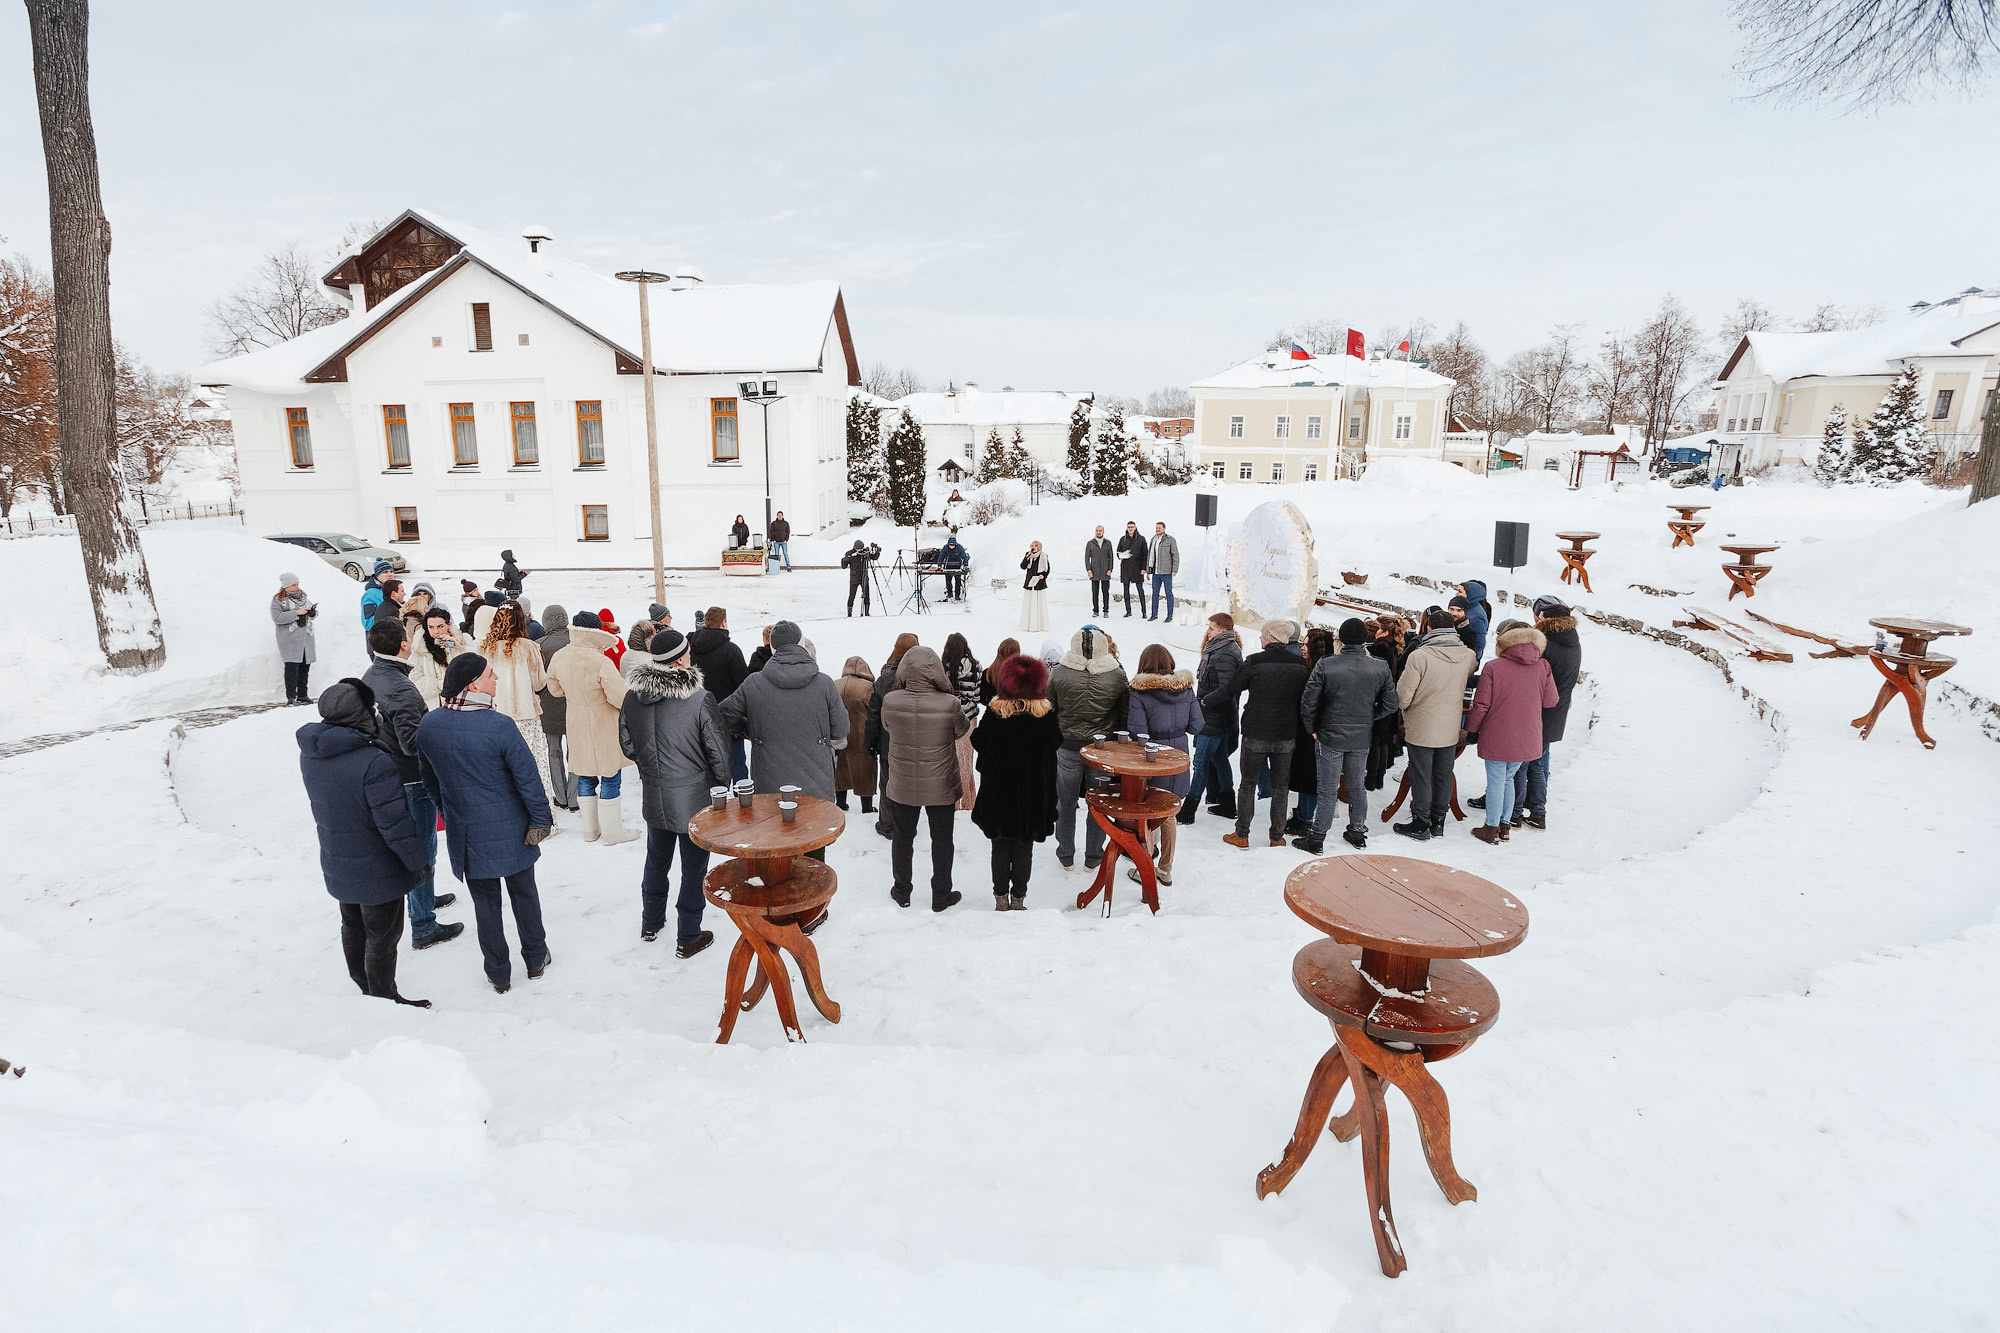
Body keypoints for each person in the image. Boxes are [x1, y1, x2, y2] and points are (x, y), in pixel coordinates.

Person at [416, 654, 553, 993]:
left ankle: (498, 973)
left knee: (485, 905)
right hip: (513, 829)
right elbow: (528, 778)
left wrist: (447, 812)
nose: (497, 680)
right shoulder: (499, 725)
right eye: (491, 675)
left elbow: (429, 780)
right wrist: (539, 819)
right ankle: (536, 957)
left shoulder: (430, 725)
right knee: (524, 894)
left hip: (467, 833)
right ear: (473, 684)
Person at [296, 678, 433, 1007]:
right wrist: (418, 863)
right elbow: (395, 825)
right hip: (377, 868)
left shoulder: (314, 753)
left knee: (353, 925)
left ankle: (364, 986)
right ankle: (384, 999)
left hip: (339, 859)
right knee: (382, 936)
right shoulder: (373, 762)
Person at [620, 627, 730, 954]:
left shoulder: (633, 696)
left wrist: (652, 767)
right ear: (681, 659)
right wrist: (721, 787)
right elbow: (719, 754)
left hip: (655, 795)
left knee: (656, 860)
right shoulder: (699, 699)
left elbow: (627, 745)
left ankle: (651, 922)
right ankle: (689, 935)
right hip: (694, 799)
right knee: (693, 866)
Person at [363, 617, 467, 951]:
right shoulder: (401, 687)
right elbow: (411, 742)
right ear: (404, 645)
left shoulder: (371, 676)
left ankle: (424, 899)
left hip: (387, 773)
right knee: (422, 849)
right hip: (410, 777)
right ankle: (423, 926)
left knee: (412, 846)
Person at [721, 620, 848, 824]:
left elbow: (723, 716)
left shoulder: (754, 683)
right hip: (816, 781)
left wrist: (751, 730)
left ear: (772, 648)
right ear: (801, 644)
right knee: (813, 845)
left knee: (775, 844)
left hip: (769, 782)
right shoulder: (824, 683)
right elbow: (841, 729)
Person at [1294, 619, 1399, 853]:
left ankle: (1317, 837)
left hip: (1329, 734)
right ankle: (1357, 831)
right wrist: (1369, 716)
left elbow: (1308, 702)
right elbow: (1391, 704)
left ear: (1342, 637)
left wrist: (1311, 727)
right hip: (1360, 735)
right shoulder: (1379, 667)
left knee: (1328, 789)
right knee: (1356, 786)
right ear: (1365, 639)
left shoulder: (1326, 665)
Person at [880, 646, 970, 911]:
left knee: (903, 837)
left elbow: (887, 727)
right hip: (940, 784)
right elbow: (961, 730)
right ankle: (941, 894)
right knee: (942, 839)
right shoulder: (949, 704)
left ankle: (902, 890)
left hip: (903, 783)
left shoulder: (891, 701)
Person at [970, 653, 1060, 910]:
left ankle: (1000, 897)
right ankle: (1018, 897)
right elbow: (1056, 743)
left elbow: (978, 742)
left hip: (999, 794)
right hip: (1032, 796)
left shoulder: (995, 714)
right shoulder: (1046, 717)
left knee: (999, 847)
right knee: (1024, 848)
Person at [1209, 620, 1307, 849]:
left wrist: (1205, 701)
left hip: (1256, 732)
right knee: (1280, 787)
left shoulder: (1254, 661)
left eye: (1263, 635)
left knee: (1248, 783)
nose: (1260, 639)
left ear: (1270, 637)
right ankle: (1277, 837)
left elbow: (1231, 688)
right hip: (1286, 734)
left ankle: (1242, 834)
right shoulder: (1301, 664)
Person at [546, 611, 638, 845]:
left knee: (585, 775)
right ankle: (612, 832)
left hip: (575, 719)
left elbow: (555, 690)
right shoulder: (600, 660)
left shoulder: (560, 656)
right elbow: (620, 697)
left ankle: (590, 830)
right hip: (603, 722)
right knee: (610, 775)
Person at [1464, 623, 1558, 846]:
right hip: (1528, 734)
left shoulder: (1494, 667)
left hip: (1497, 733)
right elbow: (1551, 700)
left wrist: (1472, 730)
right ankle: (1505, 825)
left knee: (1496, 781)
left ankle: (1491, 827)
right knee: (1508, 779)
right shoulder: (1543, 666)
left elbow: (1482, 704)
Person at [1391, 606, 1478, 841]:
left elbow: (1403, 696)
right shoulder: (1467, 656)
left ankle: (1421, 822)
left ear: (1429, 628)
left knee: (1420, 774)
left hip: (1422, 723)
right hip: (1450, 723)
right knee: (1443, 773)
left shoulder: (1419, 656)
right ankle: (1439, 821)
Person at [1047, 625, 1129, 872]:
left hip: (1067, 745)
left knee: (1066, 801)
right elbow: (1124, 711)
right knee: (1098, 803)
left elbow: (1048, 709)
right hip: (1101, 748)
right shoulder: (1115, 674)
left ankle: (1065, 854)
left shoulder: (1059, 673)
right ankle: (1094, 856)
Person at [479, 602, 559, 828]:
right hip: (525, 713)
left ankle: (512, 819)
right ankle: (543, 820)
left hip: (495, 714)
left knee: (503, 768)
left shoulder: (485, 648)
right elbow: (539, 682)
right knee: (535, 766)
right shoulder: (528, 647)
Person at [1127, 644, 1199, 885]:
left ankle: (1145, 866)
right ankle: (1165, 868)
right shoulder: (1186, 689)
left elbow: (1138, 733)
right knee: (1169, 813)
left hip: (1152, 757)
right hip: (1178, 755)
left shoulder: (1139, 691)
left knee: (1148, 813)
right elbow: (1197, 725)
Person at [1521, 597, 1582, 830]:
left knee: (1532, 762)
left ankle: (1535, 810)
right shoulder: (1570, 640)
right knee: (1539, 758)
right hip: (1557, 710)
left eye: (1541, 617)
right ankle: (1530, 806)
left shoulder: (1548, 644)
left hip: (1541, 710)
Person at [1187, 613, 1242, 823]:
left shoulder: (1226, 652)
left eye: (1211, 628)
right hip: (1215, 716)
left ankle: (1189, 809)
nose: (1207, 631)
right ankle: (1228, 803)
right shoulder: (1219, 648)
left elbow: (1227, 688)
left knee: (1200, 763)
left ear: (1222, 630)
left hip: (1215, 717)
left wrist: (1203, 703)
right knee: (1219, 760)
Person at [866, 632, 920, 837]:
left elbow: (873, 716)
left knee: (888, 784)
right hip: (915, 742)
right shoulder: (924, 679)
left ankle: (888, 825)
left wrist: (870, 743)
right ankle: (908, 825)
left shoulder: (883, 681)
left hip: (889, 744)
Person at [1285, 626, 1337, 836]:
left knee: (1310, 776)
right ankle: (1302, 813)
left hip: (1313, 731)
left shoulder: (1319, 671)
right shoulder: (1312, 667)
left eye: (1306, 644)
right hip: (1308, 729)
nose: (1302, 648)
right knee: (1306, 774)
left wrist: (1311, 727)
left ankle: (1305, 818)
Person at [689, 607, 750, 781]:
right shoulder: (731, 650)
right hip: (729, 717)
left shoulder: (691, 649)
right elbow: (743, 685)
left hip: (700, 717)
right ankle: (742, 804)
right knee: (737, 764)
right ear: (723, 623)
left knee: (710, 766)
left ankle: (714, 804)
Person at [533, 603, 578, 811]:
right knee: (576, 750)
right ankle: (575, 797)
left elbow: (536, 679)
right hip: (574, 702)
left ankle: (560, 796)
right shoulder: (576, 641)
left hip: (548, 704)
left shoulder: (539, 645)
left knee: (553, 751)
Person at [1365, 617, 1410, 792]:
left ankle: (1370, 779)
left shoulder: (1380, 648)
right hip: (1390, 698)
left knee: (1375, 741)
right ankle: (1379, 779)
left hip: (1380, 698)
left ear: (1384, 632)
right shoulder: (1393, 648)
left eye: (1378, 629)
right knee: (1382, 742)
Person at [941, 632, 982, 812]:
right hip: (970, 720)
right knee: (967, 762)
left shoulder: (944, 668)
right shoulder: (976, 666)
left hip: (949, 720)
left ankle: (954, 801)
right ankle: (969, 801)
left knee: (952, 763)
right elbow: (979, 696)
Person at [834, 656, 878, 813]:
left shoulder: (835, 684)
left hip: (839, 735)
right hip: (861, 737)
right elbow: (874, 712)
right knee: (865, 770)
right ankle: (866, 807)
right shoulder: (868, 687)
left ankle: (840, 803)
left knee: (840, 770)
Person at [409, 607, 470, 709]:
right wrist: (441, 684)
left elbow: (474, 669)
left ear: (448, 625)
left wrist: (458, 648)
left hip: (461, 703)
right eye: (431, 627)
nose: (436, 631)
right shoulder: (418, 649)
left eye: (440, 626)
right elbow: (415, 682)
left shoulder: (463, 641)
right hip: (433, 706)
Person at [273, 574, 318, 704]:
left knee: (305, 667)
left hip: (306, 639)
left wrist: (313, 613)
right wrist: (296, 613)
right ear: (286, 586)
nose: (296, 587)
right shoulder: (279, 600)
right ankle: (291, 696)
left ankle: (303, 694)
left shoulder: (303, 597)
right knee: (292, 667)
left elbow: (311, 612)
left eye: (297, 584)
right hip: (290, 640)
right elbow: (277, 618)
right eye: (293, 585)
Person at [1450, 580, 1493, 663]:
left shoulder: (1476, 615)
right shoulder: (1469, 608)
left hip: (1468, 659)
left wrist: (1472, 660)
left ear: (1469, 595)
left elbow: (1479, 643)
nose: (1456, 594)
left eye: (1460, 591)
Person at [1146, 521, 1180, 622]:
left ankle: (1169, 615)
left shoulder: (1170, 540)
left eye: (1159, 528)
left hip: (1166, 571)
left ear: (1164, 529)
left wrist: (1174, 570)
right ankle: (1154, 614)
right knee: (1155, 593)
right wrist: (1148, 571)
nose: (1157, 529)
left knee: (1168, 593)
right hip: (1156, 572)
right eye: (1156, 527)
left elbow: (1175, 555)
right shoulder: (1153, 540)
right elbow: (1150, 556)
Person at [1116, 521, 1147, 617]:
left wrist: (1144, 568)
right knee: (1126, 591)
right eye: (1128, 527)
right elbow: (1118, 551)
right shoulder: (1123, 539)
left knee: (1140, 590)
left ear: (1135, 527)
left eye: (1132, 527)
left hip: (1137, 568)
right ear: (1126, 528)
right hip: (1125, 567)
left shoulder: (1141, 539)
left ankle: (1144, 612)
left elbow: (1145, 554)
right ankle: (1128, 611)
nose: (1130, 528)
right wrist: (1120, 556)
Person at [1019, 541, 1051, 634]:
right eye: (1032, 546)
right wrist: (1026, 558)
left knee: (1038, 603)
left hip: (1039, 583)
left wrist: (1043, 576)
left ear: (1039, 547)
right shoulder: (1028, 555)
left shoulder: (1043, 556)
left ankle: (1039, 624)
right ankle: (1028, 624)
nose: (1033, 548)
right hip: (1030, 583)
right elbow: (1023, 566)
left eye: (1035, 546)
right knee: (1029, 603)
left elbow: (1047, 569)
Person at [979, 637, 1021, 706]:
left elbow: (982, 698)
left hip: (993, 713)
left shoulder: (988, 674)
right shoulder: (1022, 675)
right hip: (1016, 713)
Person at [842, 540, 880, 616]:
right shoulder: (850, 553)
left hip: (864, 577)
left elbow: (874, 557)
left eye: (861, 548)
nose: (860, 550)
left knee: (867, 595)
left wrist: (877, 552)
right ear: (855, 548)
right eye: (859, 549)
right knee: (852, 596)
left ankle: (867, 612)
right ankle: (849, 613)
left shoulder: (865, 552)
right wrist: (846, 559)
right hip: (854, 578)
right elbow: (844, 566)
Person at [1084, 525, 1114, 617]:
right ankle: (1095, 611)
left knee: (1105, 592)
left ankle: (1106, 611)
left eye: (1100, 530)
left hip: (1105, 571)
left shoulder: (1108, 543)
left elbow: (1111, 557)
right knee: (1095, 592)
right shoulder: (1090, 543)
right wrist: (1089, 570)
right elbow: (1086, 557)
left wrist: (1110, 569)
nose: (1098, 532)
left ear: (1103, 532)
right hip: (1094, 571)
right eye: (1097, 530)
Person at [359, 558, 394, 631]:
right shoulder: (370, 594)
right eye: (385, 572)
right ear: (377, 575)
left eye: (391, 571)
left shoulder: (393, 590)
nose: (390, 574)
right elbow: (368, 623)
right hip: (379, 638)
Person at [939, 534, 968, 602]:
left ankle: (957, 595)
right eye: (950, 545)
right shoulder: (945, 548)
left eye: (953, 545)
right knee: (948, 581)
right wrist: (939, 565)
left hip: (957, 565)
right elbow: (941, 556)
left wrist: (966, 565)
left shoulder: (960, 548)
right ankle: (949, 594)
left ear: (955, 545)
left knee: (958, 581)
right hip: (948, 566)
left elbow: (964, 556)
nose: (951, 547)